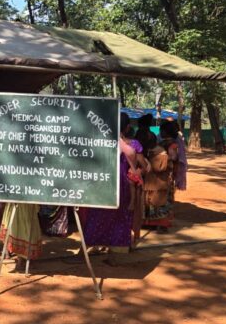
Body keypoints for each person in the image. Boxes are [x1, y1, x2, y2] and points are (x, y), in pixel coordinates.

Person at [76, 113, 139, 265]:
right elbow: (131, 153)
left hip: (103, 184)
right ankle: (114, 255)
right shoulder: (123, 142)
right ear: (126, 127)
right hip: (118, 184)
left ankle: (88, 249)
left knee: (97, 216)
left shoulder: (101, 138)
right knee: (118, 218)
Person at [144, 121, 179, 231]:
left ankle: (152, 222)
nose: (160, 132)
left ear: (165, 131)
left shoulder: (163, 144)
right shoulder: (172, 144)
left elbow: (171, 157)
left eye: (161, 130)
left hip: (155, 176)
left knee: (153, 197)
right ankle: (162, 223)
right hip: (165, 176)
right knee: (164, 198)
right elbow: (174, 158)